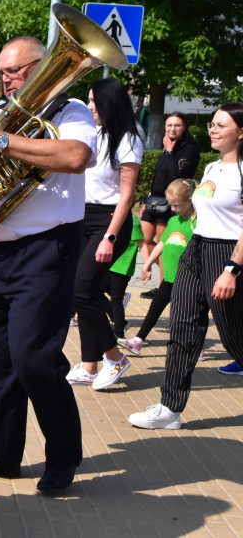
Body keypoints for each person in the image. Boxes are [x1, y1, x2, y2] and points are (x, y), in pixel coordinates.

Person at [0, 35, 94, 494]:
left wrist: (3, 140)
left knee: (34, 357)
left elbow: (76, 156)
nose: (6, 81)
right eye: (1, 74)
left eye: (14, 71)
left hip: (47, 249)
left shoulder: (69, 112)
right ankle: (1, 453)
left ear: (42, 65)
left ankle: (64, 456)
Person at [129, 103, 243, 429]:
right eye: (212, 124)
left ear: (241, 132)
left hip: (226, 256)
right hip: (196, 250)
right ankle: (169, 408)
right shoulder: (211, 168)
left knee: (235, 336)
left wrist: (231, 269)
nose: (214, 129)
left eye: (222, 125)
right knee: (182, 327)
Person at [65, 79, 142, 390]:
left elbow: (127, 195)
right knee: (85, 291)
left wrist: (110, 236)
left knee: (82, 291)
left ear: (110, 101)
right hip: (83, 217)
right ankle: (89, 365)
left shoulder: (129, 139)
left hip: (110, 221)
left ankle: (115, 356)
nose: (90, 105)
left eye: (94, 100)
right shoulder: (96, 133)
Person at [118, 179, 196, 355]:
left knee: (184, 315)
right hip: (169, 276)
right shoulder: (174, 220)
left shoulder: (197, 223)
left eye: (176, 205)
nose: (173, 209)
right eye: (171, 205)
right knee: (155, 308)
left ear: (190, 200)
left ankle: (193, 345)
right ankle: (138, 341)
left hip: (188, 278)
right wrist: (146, 264)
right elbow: (161, 243)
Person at [140, 112, 200, 296]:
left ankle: (163, 288)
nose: (172, 128)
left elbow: (176, 175)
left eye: (177, 125)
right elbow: (160, 175)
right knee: (143, 239)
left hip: (171, 202)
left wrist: (169, 151)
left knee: (162, 242)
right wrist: (147, 199)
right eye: (169, 125)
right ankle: (166, 278)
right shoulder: (168, 145)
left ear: (184, 128)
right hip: (154, 200)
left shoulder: (189, 148)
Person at [104, 214, 142, 338]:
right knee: (95, 290)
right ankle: (121, 322)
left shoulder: (133, 221)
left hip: (122, 267)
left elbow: (142, 244)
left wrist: (147, 266)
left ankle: (119, 334)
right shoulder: (112, 218)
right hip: (111, 263)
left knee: (116, 300)